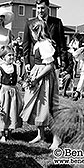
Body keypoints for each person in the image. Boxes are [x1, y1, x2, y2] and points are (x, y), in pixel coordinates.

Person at [20, 20, 61, 150]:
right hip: (37, 74)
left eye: (33, 32)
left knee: (48, 106)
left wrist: (37, 78)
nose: (32, 35)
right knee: (38, 106)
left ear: (37, 32)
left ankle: (57, 138)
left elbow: (50, 65)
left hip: (45, 77)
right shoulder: (38, 44)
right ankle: (41, 134)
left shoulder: (45, 44)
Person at [23, 0, 67, 73]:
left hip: (52, 61)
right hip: (35, 62)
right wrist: (27, 62)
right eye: (38, 8)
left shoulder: (57, 22)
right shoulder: (29, 23)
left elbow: (62, 43)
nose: (40, 11)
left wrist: (63, 59)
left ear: (48, 7)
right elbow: (26, 44)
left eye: (42, 8)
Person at [0, 46, 23, 143]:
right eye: (9, 55)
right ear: (3, 57)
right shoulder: (0, 69)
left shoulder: (15, 67)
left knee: (13, 111)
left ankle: (9, 132)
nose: (12, 57)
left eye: (13, 55)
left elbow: (17, 79)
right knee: (4, 112)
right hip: (4, 93)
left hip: (13, 92)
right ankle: (2, 134)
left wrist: (25, 83)